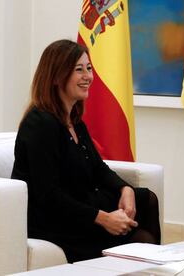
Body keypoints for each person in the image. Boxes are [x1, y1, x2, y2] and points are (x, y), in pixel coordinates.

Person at [11, 39, 161, 262]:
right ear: (55, 77)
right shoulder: (39, 124)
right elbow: (48, 195)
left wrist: (125, 189)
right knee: (141, 238)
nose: (88, 77)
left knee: (145, 199)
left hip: (80, 205)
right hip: (54, 220)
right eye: (78, 70)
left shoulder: (74, 120)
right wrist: (102, 218)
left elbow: (98, 169)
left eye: (89, 68)